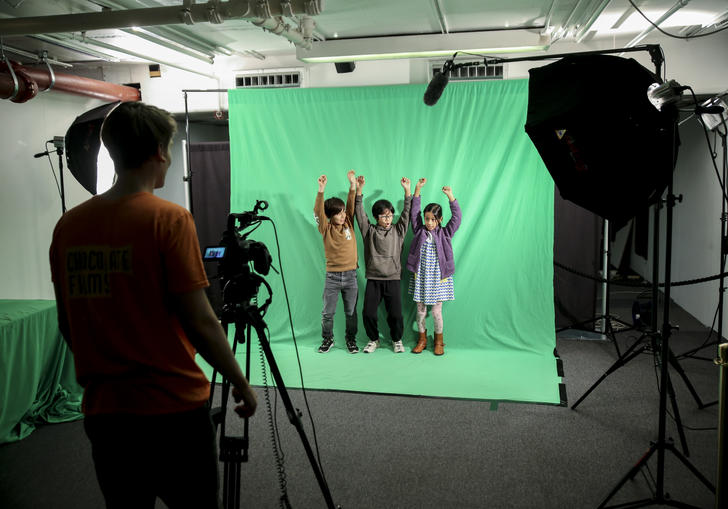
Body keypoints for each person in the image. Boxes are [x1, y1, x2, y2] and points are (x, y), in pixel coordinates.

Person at [49, 101, 257, 509]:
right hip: (173, 411)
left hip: (106, 414)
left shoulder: (68, 227)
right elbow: (199, 319)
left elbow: (67, 323)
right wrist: (240, 381)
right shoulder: (170, 220)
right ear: (160, 151)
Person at [354, 175, 412, 353]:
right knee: (368, 313)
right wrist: (360, 189)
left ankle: (397, 340)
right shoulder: (369, 231)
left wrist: (407, 191)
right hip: (373, 278)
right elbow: (359, 213)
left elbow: (406, 213)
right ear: (376, 217)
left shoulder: (398, 231)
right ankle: (374, 340)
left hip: (393, 278)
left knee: (395, 314)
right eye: (383, 216)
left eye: (390, 215)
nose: (388, 219)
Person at [406, 178, 461, 355]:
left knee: (437, 312)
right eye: (427, 218)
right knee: (420, 311)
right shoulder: (419, 231)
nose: (429, 222)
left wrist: (451, 197)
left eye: (433, 219)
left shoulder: (445, 233)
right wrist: (417, 190)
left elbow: (457, 218)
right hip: (421, 277)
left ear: (440, 219)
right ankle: (422, 339)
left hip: (439, 278)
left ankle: (439, 341)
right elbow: (413, 214)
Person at [314, 170, 359, 353]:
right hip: (332, 277)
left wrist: (352, 186)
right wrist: (321, 190)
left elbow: (351, 205)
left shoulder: (348, 222)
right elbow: (318, 212)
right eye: (338, 213)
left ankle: (351, 340)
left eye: (342, 213)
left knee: (351, 312)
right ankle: (327, 339)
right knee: (328, 313)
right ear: (330, 215)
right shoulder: (326, 228)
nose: (342, 215)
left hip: (351, 276)